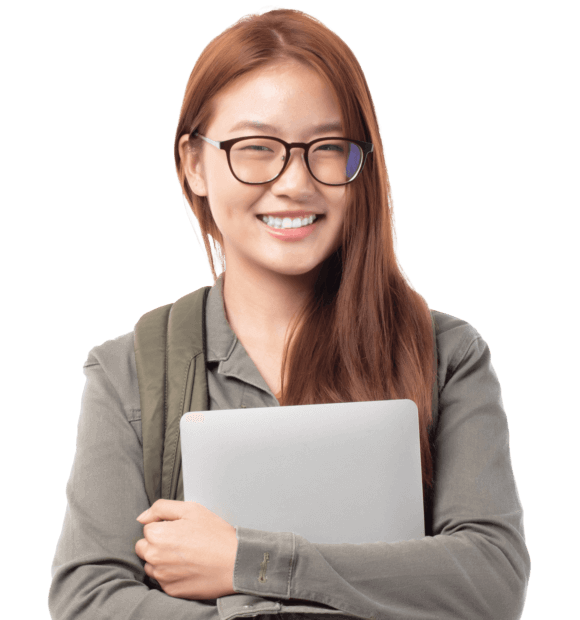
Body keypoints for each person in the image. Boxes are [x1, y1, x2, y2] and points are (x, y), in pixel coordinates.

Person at [48, 7, 531, 620]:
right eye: (256, 148)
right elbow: (86, 600)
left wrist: (245, 563)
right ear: (193, 164)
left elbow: (491, 578)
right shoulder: (128, 370)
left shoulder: (447, 353)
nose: (295, 183)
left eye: (327, 148)